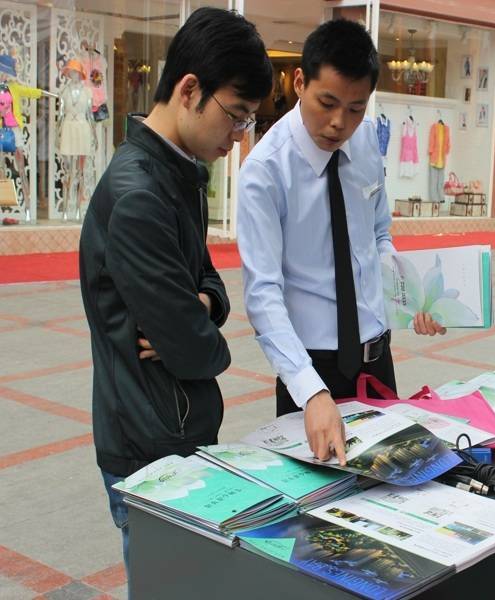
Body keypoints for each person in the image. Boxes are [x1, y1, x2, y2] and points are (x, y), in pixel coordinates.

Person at [78, 8, 272, 575]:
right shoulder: (141, 194)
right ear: (190, 90)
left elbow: (210, 285)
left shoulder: (179, 172)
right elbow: (194, 351)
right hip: (148, 445)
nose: (238, 139)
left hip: (176, 429)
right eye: (235, 117)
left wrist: (204, 306)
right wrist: (209, 338)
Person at [237, 19, 445, 468]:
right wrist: (310, 392)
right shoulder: (265, 172)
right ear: (298, 83)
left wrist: (409, 296)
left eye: (355, 108)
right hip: (312, 369)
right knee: (320, 510)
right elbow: (262, 294)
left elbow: (378, 235)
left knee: (393, 488)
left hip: (377, 357)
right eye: (326, 103)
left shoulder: (367, 141)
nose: (338, 123)